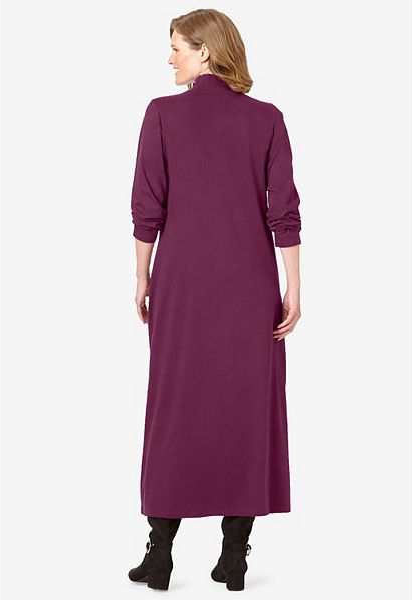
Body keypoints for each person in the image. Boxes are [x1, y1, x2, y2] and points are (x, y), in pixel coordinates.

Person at [128, 8, 302, 591]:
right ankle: (234, 559)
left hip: (181, 283)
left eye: (176, 47)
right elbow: (285, 212)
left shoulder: (162, 114)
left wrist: (142, 276)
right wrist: (293, 287)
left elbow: (147, 206)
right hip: (251, 285)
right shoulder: (267, 119)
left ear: (205, 51)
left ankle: (159, 555)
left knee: (173, 406)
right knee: (246, 409)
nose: (169, 57)